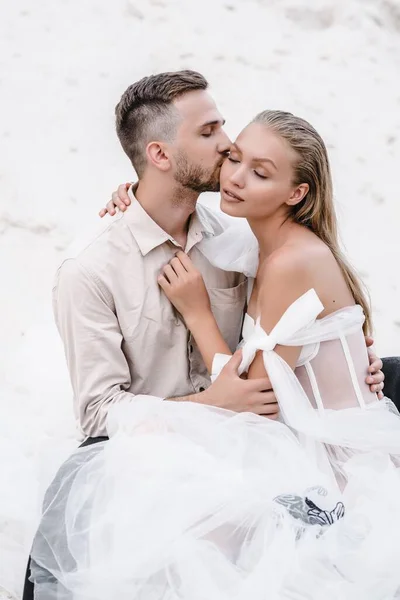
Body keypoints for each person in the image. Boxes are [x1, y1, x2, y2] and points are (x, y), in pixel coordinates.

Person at [27, 91, 398, 597]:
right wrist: (133, 201)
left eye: (252, 163)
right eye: (213, 136)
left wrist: (351, 354)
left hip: (283, 437)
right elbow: (97, 414)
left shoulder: (237, 239)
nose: (228, 155)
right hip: (203, 430)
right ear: (158, 155)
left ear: (295, 193)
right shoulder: (99, 267)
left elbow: (264, 393)